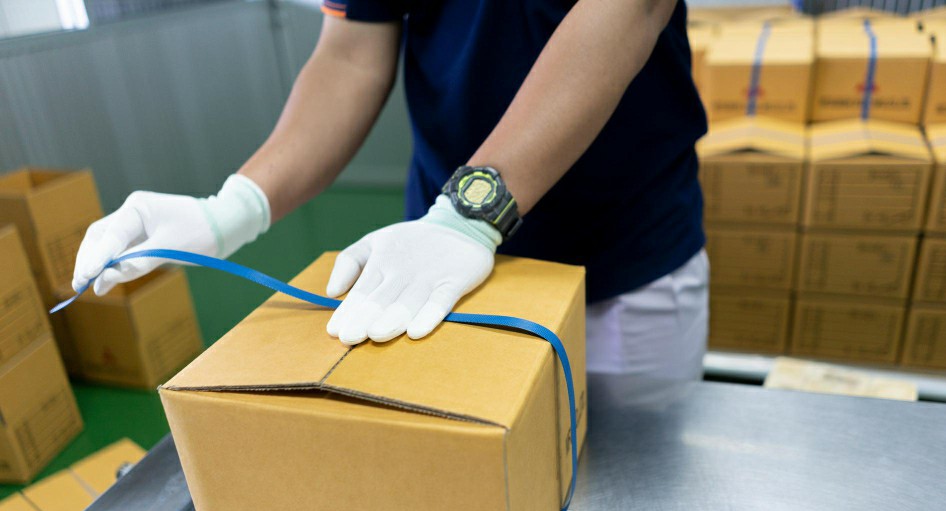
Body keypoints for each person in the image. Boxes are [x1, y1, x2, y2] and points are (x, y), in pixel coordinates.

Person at [72, 0, 709, 379]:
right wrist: (231, 210)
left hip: (622, 256)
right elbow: (352, 51)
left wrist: (472, 213)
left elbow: (629, 8)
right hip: (436, 274)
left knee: (628, 498)